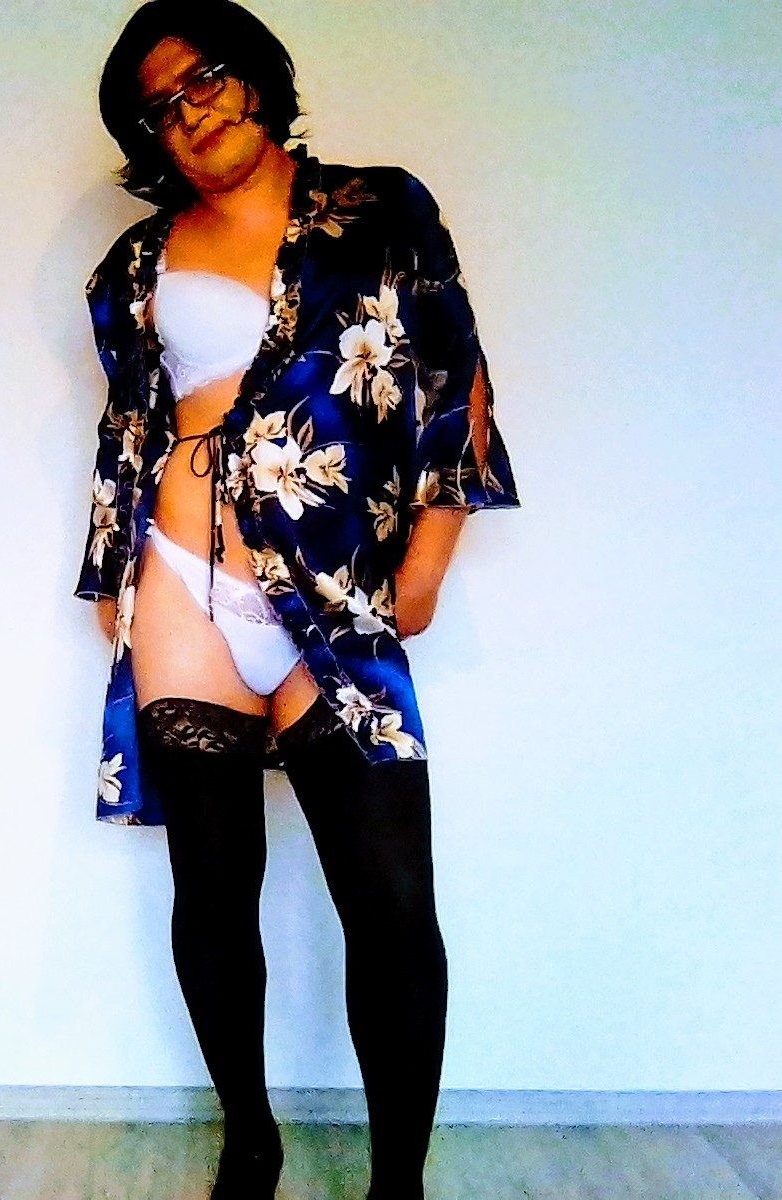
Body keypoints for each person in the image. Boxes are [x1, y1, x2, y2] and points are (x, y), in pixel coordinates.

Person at [72, 3, 520, 1197]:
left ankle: (396, 1184)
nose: (189, 113)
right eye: (158, 108)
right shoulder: (130, 266)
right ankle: (250, 1138)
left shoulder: (378, 211)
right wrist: (109, 574)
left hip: (329, 584)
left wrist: (426, 561)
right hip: (180, 579)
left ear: (257, 77)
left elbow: (453, 382)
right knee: (213, 892)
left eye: (203, 79)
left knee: (390, 902)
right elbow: (127, 426)